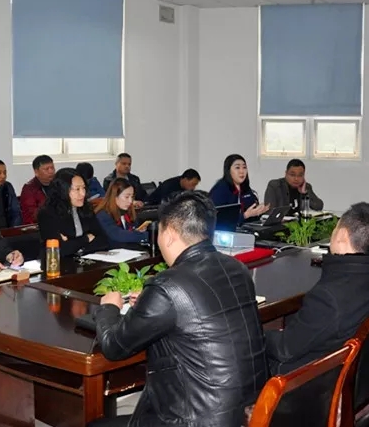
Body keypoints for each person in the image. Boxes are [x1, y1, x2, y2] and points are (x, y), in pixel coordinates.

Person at [91, 191, 267, 427]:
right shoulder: (237, 268)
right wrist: (150, 301)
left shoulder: (167, 286)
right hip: (248, 412)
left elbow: (113, 346)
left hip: (196, 420)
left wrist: (109, 308)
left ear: (169, 235)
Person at [265, 203, 369, 374]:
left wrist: (255, 335)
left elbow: (284, 349)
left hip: (309, 380)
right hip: (356, 373)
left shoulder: (328, 297)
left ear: (342, 235)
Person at [38, 168, 108, 257]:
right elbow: (59, 250)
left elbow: (103, 241)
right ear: (63, 190)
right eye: (77, 189)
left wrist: (75, 246)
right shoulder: (47, 214)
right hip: (57, 263)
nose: (83, 193)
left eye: (83, 188)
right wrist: (86, 239)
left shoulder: (85, 208)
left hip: (85, 260)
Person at [208, 154, 269, 223]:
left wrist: (259, 211)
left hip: (245, 227)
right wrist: (245, 215)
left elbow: (251, 212)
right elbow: (218, 219)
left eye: (244, 167)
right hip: (225, 228)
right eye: (237, 167)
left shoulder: (245, 187)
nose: (242, 171)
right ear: (228, 170)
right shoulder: (220, 189)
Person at [95, 178, 149, 248]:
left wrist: (138, 231)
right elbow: (118, 235)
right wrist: (145, 235)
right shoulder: (102, 215)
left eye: (132, 197)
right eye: (127, 197)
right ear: (115, 196)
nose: (130, 201)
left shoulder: (128, 212)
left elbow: (131, 232)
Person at [20, 155, 55, 224]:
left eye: (52, 168)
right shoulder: (29, 189)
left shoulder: (58, 183)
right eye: (46, 169)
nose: (51, 171)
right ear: (36, 172)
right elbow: (31, 216)